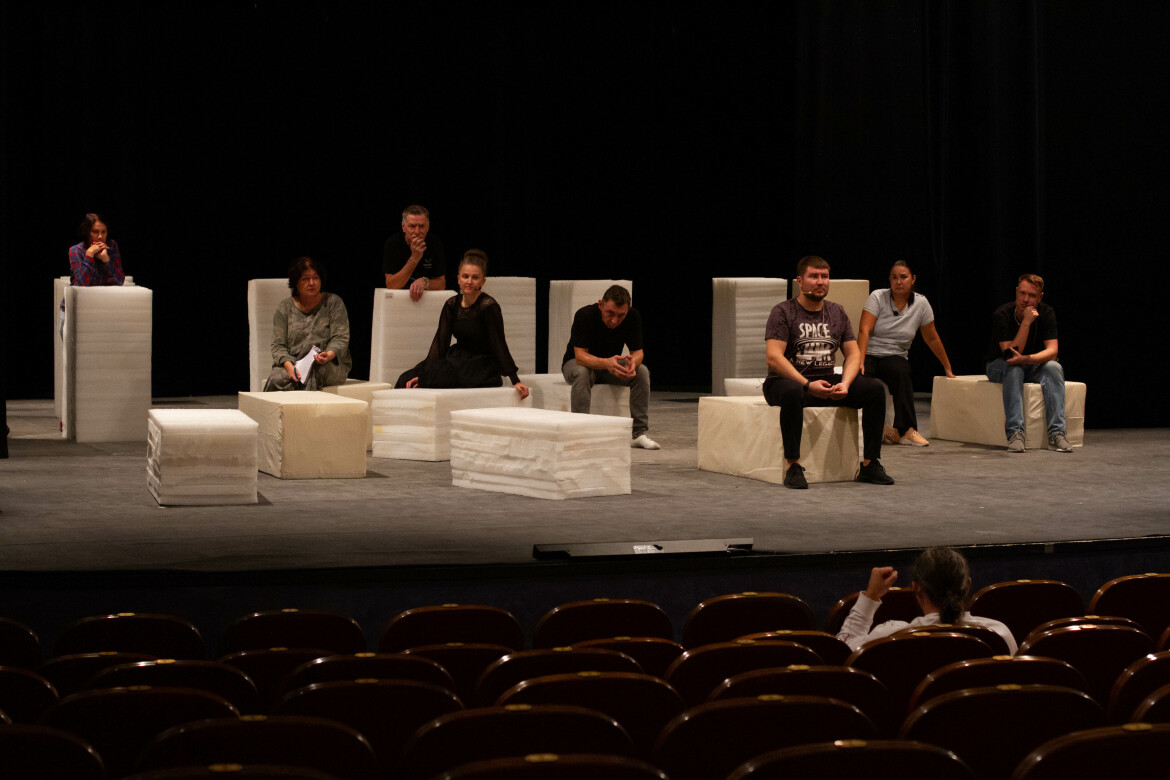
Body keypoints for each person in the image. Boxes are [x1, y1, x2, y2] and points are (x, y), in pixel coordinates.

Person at [764, 256, 893, 489]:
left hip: (825, 380)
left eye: (824, 276)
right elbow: (773, 357)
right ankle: (793, 466)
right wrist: (807, 384)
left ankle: (870, 463)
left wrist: (845, 383)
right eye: (813, 276)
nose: (820, 281)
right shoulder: (783, 311)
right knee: (793, 391)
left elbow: (853, 354)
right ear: (800, 281)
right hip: (785, 383)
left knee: (874, 389)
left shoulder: (837, 312)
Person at [396, 250, 530, 400]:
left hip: (481, 364)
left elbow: (499, 344)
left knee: (433, 377)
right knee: (406, 378)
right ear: (458, 279)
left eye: (475, 277)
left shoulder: (489, 306)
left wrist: (515, 380)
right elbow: (440, 343)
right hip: (458, 357)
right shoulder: (451, 304)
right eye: (465, 276)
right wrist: (427, 371)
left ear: (483, 281)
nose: (469, 281)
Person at [836, 546, 1018, 654]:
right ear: (967, 585)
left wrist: (870, 596)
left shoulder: (889, 637)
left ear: (916, 588)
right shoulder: (998, 634)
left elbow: (842, 653)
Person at [857, 260, 955, 447]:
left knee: (902, 372)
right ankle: (876, 428)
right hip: (869, 353)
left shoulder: (921, 303)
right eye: (894, 277)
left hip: (895, 355)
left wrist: (947, 366)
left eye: (903, 277)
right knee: (856, 377)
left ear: (913, 279)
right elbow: (864, 331)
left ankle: (906, 430)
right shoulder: (878, 296)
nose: (898, 281)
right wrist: (859, 361)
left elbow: (932, 338)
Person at [562, 285, 659, 449]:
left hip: (609, 366)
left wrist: (632, 364)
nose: (615, 320)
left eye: (621, 315)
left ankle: (638, 433)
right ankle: (580, 432)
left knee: (641, 371)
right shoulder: (585, 315)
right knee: (582, 372)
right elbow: (580, 356)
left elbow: (638, 352)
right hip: (578, 364)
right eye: (610, 313)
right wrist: (607, 363)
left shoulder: (632, 316)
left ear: (627, 310)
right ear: (601, 304)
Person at [984, 274, 1071, 453]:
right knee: (1015, 368)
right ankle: (1015, 433)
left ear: (1040, 297)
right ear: (1016, 292)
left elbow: (1052, 351)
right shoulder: (1002, 314)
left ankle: (1057, 433)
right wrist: (1026, 322)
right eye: (1022, 293)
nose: (1026, 299)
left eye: (1032, 295)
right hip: (998, 365)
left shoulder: (1047, 313)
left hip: (1029, 364)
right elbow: (1011, 354)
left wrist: (1027, 360)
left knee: (1054, 367)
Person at [264, 257, 351, 391]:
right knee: (277, 379)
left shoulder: (334, 303)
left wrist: (328, 355)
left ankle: (306, 404)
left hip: (328, 364)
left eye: (315, 278)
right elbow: (278, 345)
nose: (311, 283)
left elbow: (341, 338)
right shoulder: (285, 307)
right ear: (296, 282)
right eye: (305, 279)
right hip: (294, 362)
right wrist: (289, 366)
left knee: (313, 372)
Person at [384, 204, 446, 302]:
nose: (417, 232)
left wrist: (425, 282)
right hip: (398, 299)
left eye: (421, 226)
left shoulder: (435, 243)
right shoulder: (393, 243)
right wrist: (414, 258)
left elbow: (442, 284)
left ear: (428, 227)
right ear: (403, 227)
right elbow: (392, 285)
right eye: (412, 226)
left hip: (427, 300)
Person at [69, 213, 125, 286]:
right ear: (87, 233)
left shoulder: (111, 246)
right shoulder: (76, 250)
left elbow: (119, 281)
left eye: (103, 232)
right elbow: (80, 284)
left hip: (104, 293)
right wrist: (89, 254)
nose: (100, 236)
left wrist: (106, 260)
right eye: (95, 232)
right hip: (84, 293)